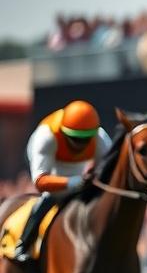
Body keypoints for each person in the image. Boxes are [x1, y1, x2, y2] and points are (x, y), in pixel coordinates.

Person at [13, 100, 113, 263]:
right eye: (75, 139)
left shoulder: (100, 138)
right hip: (51, 163)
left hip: (79, 167)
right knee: (50, 198)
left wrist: (94, 171)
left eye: (86, 140)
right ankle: (23, 244)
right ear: (64, 131)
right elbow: (40, 181)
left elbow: (109, 166)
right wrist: (76, 181)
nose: (80, 145)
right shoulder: (46, 136)